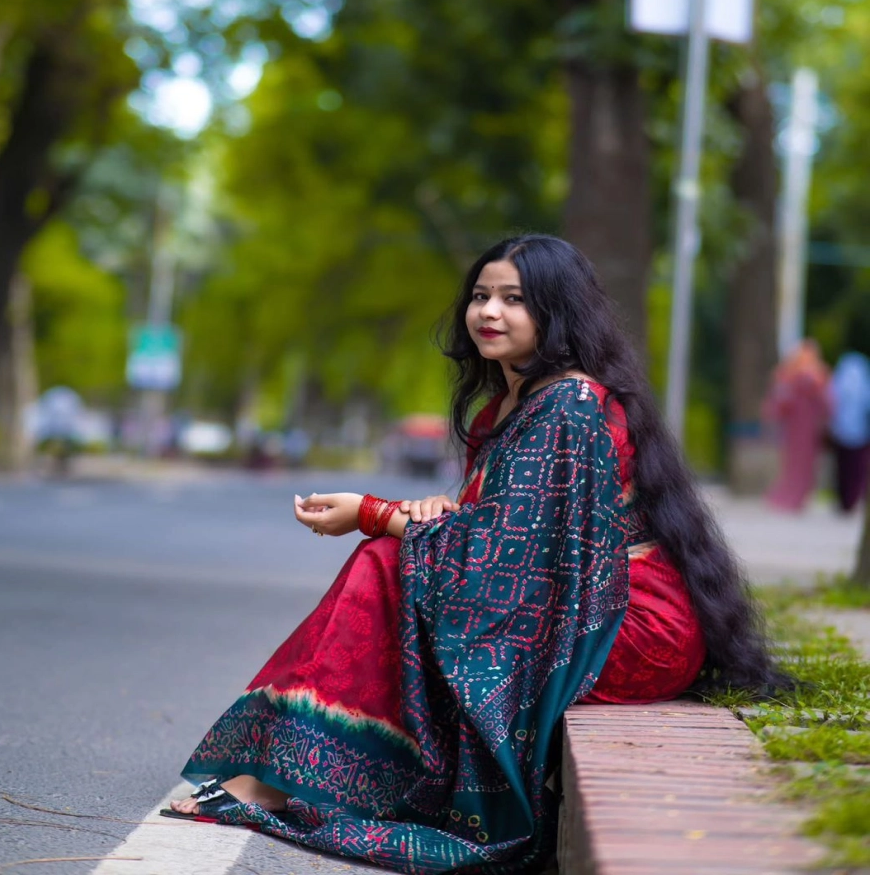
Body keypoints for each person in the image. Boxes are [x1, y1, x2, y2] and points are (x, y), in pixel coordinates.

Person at [161, 235, 784, 874]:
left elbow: (503, 558)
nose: (489, 311)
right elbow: (507, 535)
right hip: (574, 606)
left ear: (556, 311)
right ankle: (299, 766)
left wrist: (372, 513)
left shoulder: (569, 405)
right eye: (481, 296)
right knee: (396, 562)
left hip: (625, 629)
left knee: (385, 563)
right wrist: (440, 512)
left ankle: (279, 777)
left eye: (514, 299)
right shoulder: (511, 405)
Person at [764, 339, 832, 512]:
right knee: (796, 466)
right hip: (799, 429)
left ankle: (795, 498)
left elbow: (826, 403)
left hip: (803, 429)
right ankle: (792, 498)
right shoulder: (795, 375)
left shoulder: (798, 375)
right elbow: (827, 404)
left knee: (799, 466)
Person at [828, 352, 870, 513]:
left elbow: (830, 404)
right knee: (857, 469)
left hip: (841, 433)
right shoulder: (863, 383)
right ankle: (853, 499)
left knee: (842, 469)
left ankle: (845, 501)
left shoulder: (838, 382)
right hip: (859, 434)